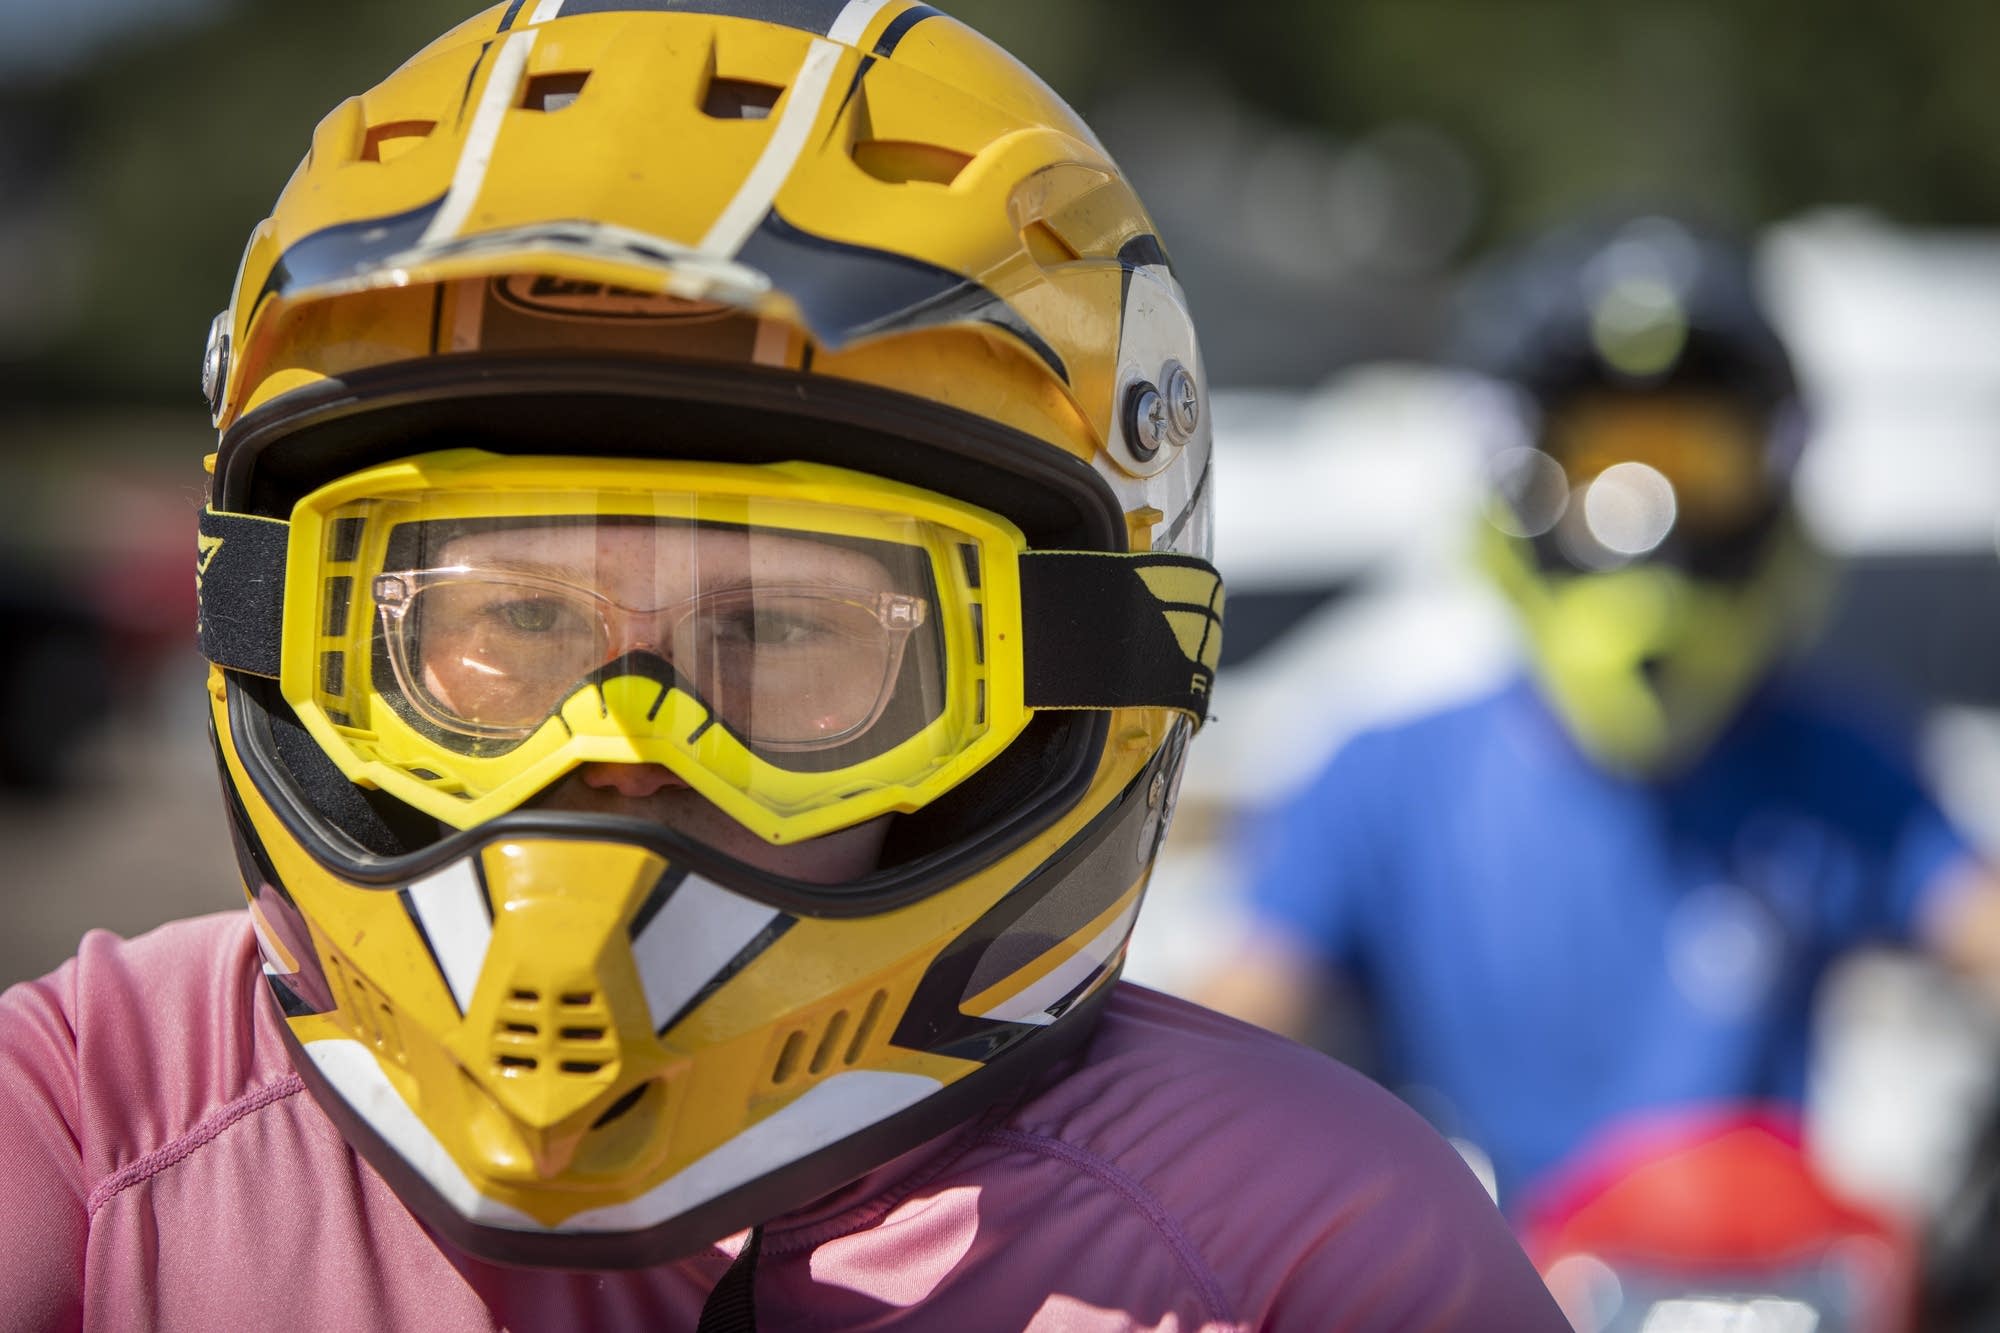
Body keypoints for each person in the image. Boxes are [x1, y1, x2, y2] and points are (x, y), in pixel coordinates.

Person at [0, 4, 1567, 1328]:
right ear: (300, 636)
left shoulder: (1292, 1251)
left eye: (778, 634)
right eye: (515, 624)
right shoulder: (85, 1120)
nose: (620, 754)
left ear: (1059, 688)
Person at [1197, 211, 2000, 1218]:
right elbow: (1233, 1033)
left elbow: (1979, 926)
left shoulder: (1839, 763)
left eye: (1696, 464)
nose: (1650, 519)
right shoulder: (1379, 781)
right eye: (1601, 469)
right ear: (1515, 482)